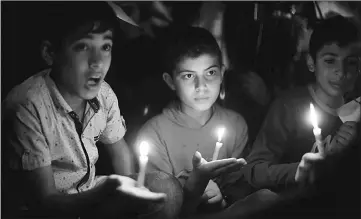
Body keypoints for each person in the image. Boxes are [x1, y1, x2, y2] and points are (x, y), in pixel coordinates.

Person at [2, 2, 182, 219]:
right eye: (83, 47)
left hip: (90, 192)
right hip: (46, 209)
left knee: (167, 187)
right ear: (50, 53)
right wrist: (106, 192)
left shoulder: (103, 94)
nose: (97, 62)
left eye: (105, 47)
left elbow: (120, 152)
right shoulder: (27, 105)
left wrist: (133, 193)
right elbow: (45, 202)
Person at [135, 26, 279, 219]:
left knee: (266, 199)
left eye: (210, 73)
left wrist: (222, 198)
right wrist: (195, 188)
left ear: (221, 73)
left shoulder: (235, 124)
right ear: (170, 82)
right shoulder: (154, 133)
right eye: (188, 76)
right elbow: (161, 206)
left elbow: (240, 186)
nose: (201, 86)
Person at [241, 15, 360, 216]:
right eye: (330, 61)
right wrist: (299, 170)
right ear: (311, 63)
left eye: (351, 62)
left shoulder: (356, 111)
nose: (341, 72)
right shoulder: (288, 107)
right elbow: (253, 171)